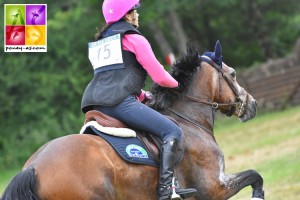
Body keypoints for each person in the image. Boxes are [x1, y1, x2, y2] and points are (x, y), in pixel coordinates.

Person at [81, 0, 197, 199]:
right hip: (118, 104)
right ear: (127, 14)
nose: (138, 14)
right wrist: (179, 86)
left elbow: (115, 78)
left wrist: (144, 96)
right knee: (172, 130)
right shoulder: (134, 38)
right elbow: (160, 76)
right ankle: (166, 190)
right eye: (135, 10)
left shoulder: (102, 42)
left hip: (94, 103)